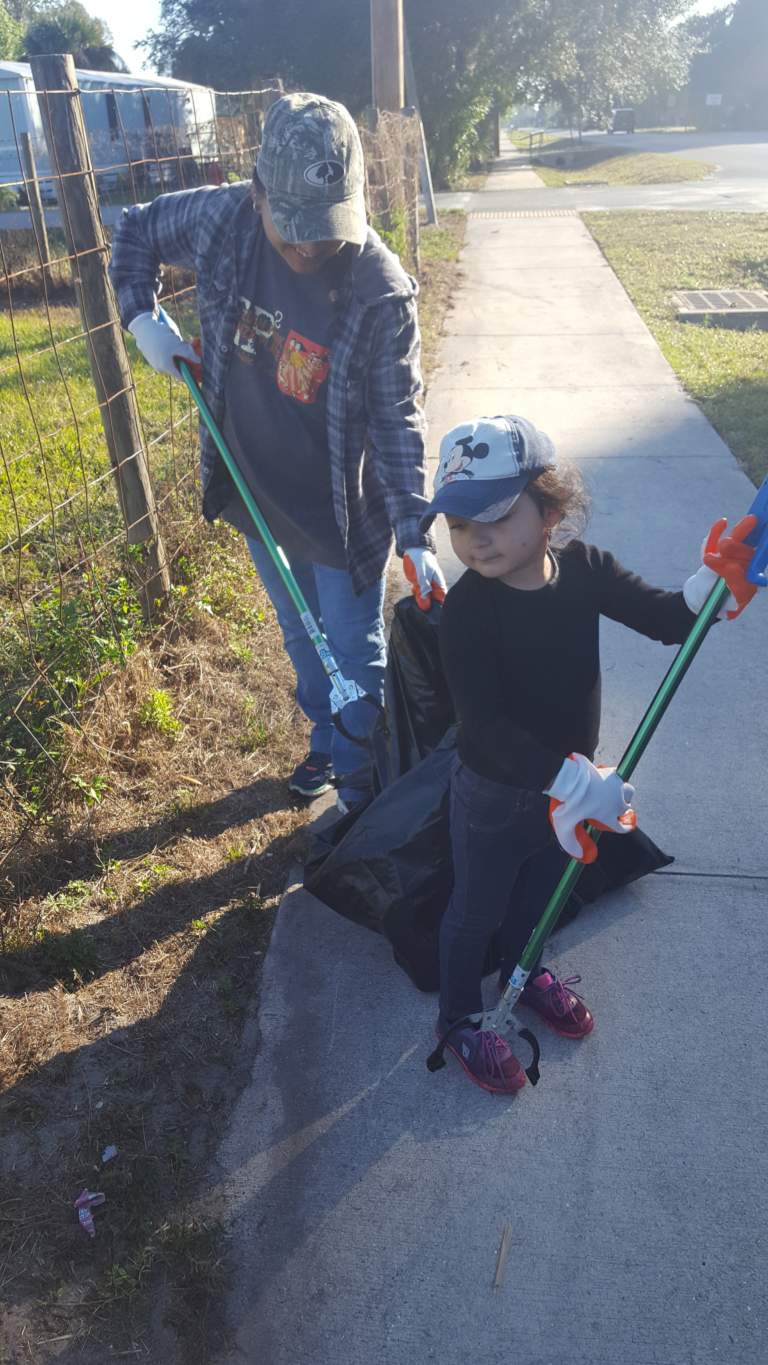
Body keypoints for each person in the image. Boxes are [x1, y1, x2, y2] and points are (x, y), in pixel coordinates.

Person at [109, 92, 445, 810]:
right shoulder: (223, 218)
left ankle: (363, 789)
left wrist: (415, 531)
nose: (308, 252)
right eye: (293, 234)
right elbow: (134, 229)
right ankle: (326, 742)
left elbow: (395, 419)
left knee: (352, 648)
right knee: (299, 634)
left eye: (324, 233)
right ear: (258, 192)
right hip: (256, 487)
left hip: (342, 516)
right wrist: (142, 315)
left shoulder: (380, 292)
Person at [420, 414, 757, 1096]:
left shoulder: (585, 570)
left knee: (544, 890)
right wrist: (575, 779)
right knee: (475, 910)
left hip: (569, 795)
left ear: (550, 508)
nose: (474, 537)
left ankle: (525, 967)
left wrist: (705, 587)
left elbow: (666, 620)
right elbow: (483, 729)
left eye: (494, 516)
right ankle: (458, 1019)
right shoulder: (467, 611)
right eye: (458, 524)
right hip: (495, 794)